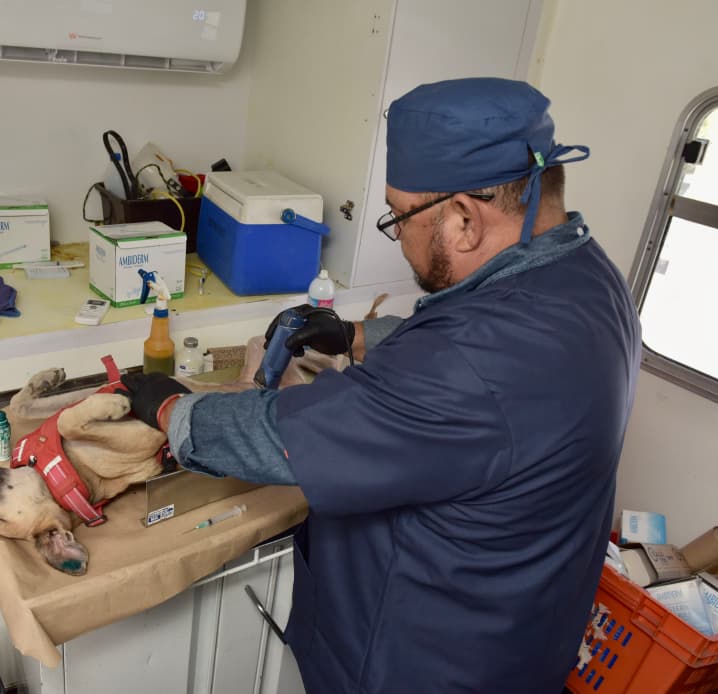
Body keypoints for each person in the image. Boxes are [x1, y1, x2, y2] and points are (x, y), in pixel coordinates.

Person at [120, 77, 641, 693]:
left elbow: (290, 436)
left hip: (422, 661)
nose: (399, 237)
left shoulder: (469, 365)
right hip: (519, 638)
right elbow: (479, 338)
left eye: (399, 216)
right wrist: (355, 335)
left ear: (465, 219)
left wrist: (172, 407)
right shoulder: (590, 277)